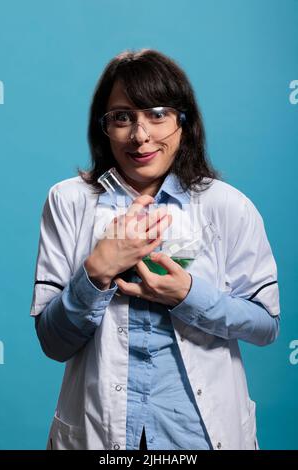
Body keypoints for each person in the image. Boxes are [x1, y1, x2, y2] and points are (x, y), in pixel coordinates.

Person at [30, 48, 280, 451]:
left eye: (158, 114)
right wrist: (95, 273)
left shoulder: (228, 206)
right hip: (100, 438)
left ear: (184, 121)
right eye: (122, 117)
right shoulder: (68, 201)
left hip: (198, 437)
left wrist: (189, 296)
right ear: (104, 128)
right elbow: (52, 342)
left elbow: (266, 325)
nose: (141, 135)